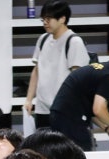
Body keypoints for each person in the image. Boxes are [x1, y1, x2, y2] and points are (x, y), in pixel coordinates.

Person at [50, 50, 109, 150]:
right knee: (81, 155)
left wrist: (106, 127)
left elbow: (90, 109)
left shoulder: (102, 69)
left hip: (60, 116)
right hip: (70, 121)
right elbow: (99, 110)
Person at [25, 1, 90, 130]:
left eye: (48, 19)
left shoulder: (74, 42)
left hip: (65, 111)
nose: (45, 23)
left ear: (62, 19)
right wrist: (29, 99)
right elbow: (36, 71)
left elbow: (79, 79)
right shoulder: (43, 39)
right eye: (43, 19)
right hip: (42, 109)